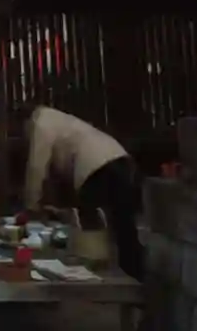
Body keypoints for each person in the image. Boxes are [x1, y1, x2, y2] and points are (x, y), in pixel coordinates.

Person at [22, 105, 145, 280]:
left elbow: (37, 167)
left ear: (27, 121)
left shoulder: (41, 123)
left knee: (90, 227)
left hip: (95, 167)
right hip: (119, 158)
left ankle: (93, 279)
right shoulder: (61, 119)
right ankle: (136, 278)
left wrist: (32, 205)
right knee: (124, 226)